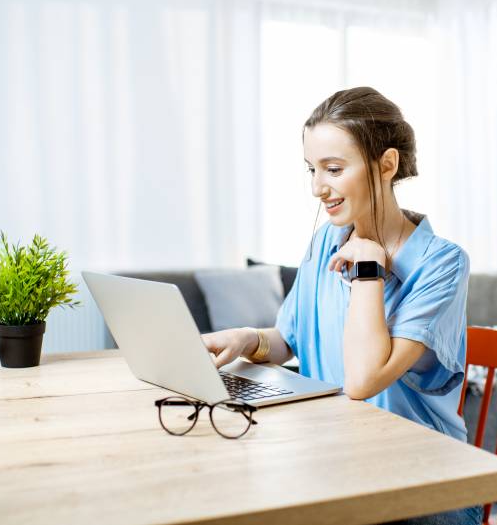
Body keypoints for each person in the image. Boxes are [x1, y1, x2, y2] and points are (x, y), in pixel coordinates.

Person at [202, 87, 480, 525]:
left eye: (333, 169)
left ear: (386, 165)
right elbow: (288, 340)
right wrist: (247, 339)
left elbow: (363, 380)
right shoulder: (325, 242)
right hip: (336, 463)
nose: (317, 187)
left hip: (425, 483)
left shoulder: (442, 263)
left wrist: (369, 270)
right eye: (312, 169)